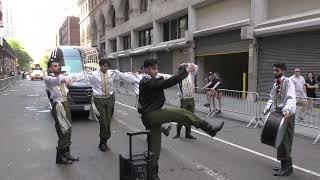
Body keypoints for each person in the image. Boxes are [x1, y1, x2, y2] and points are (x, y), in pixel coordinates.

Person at [138, 59, 224, 180]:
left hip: (151, 117)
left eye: (157, 68)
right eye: (153, 68)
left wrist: (189, 68)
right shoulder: (146, 80)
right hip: (150, 115)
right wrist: (186, 71)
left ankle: (152, 175)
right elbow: (166, 83)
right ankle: (209, 128)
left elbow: (168, 79)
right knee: (183, 113)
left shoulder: (153, 78)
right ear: (146, 69)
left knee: (155, 149)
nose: (156, 71)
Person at [263, 63, 296, 176]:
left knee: (285, 141)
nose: (274, 73)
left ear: (283, 71)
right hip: (279, 113)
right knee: (279, 139)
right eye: (273, 70)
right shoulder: (275, 84)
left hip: (287, 114)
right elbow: (272, 98)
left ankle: (288, 169)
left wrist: (287, 109)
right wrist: (267, 108)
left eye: (276, 71)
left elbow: (291, 97)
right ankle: (283, 166)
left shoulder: (288, 82)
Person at [44, 61, 79, 164]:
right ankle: (60, 157)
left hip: (66, 103)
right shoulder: (48, 79)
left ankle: (67, 153)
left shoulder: (62, 77)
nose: (57, 67)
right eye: (54, 66)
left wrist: (81, 75)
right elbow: (58, 80)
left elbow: (70, 81)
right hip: (58, 104)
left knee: (68, 128)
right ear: (49, 69)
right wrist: (64, 78)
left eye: (59, 65)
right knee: (62, 129)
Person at [173, 64, 198, 139]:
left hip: (191, 99)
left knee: (190, 117)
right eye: (186, 68)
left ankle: (188, 134)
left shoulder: (190, 75)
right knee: (181, 117)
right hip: (184, 99)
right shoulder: (179, 77)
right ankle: (178, 134)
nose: (188, 69)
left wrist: (188, 64)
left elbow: (196, 67)